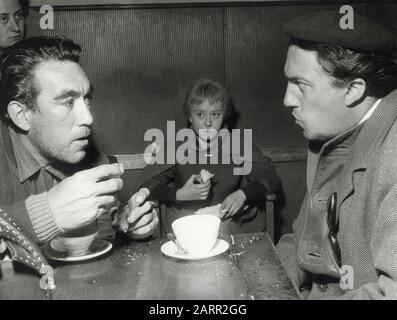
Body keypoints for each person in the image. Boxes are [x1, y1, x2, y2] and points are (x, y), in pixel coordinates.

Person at [276, 10, 397, 299]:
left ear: (353, 90)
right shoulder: (329, 134)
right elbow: (300, 241)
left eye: (300, 85)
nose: (287, 99)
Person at [0, 36, 158, 245]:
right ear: (22, 115)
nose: (88, 118)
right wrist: (45, 215)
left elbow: (104, 229)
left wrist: (125, 222)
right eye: (67, 102)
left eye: (86, 99)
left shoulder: (87, 153)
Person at [140, 79, 280, 234]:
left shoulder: (238, 143)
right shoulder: (177, 145)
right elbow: (145, 184)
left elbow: (271, 177)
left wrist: (243, 194)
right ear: (190, 117)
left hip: (229, 223)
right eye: (200, 114)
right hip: (187, 224)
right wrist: (179, 194)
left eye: (215, 114)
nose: (208, 122)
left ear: (224, 115)